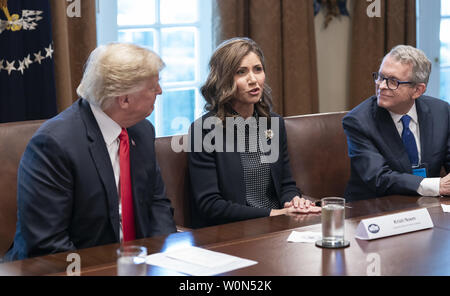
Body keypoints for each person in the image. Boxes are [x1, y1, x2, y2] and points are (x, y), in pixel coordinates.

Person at [5, 43, 177, 261]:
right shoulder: (53, 145)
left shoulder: (142, 131)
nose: (160, 91)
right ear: (124, 99)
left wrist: (159, 258)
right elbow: (47, 242)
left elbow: (157, 203)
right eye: (153, 87)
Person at [188, 37, 321, 227]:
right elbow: (211, 205)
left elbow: (286, 183)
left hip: (277, 225)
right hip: (232, 232)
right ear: (224, 79)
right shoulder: (204, 130)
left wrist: (293, 201)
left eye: (257, 69)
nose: (253, 79)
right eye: (241, 72)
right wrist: (275, 213)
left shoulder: (273, 123)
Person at [343, 45, 450, 202]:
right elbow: (379, 178)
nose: (382, 86)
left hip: (426, 206)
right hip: (374, 209)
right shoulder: (358, 121)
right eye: (380, 77)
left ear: (418, 90)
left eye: (393, 81)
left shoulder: (441, 111)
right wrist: (436, 185)